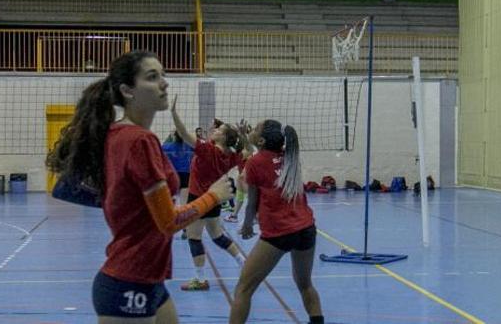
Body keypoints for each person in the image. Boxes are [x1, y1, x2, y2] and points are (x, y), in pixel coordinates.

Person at [46, 51, 233, 323]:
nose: (164, 83)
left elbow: (72, 188)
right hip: (129, 282)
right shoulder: (139, 141)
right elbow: (168, 222)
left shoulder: (117, 133)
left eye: (163, 75)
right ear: (127, 90)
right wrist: (213, 196)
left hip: (149, 280)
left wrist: (123, 204)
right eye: (152, 77)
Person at [229, 120, 324, 324]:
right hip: (306, 228)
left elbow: (252, 201)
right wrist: (247, 137)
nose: (252, 130)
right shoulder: (290, 157)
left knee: (243, 289)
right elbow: (264, 158)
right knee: (305, 284)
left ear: (262, 140)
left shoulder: (255, 162)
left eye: (255, 129)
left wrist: (246, 225)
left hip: (279, 232)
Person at [171, 101, 246, 291]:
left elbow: (184, 134)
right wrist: (243, 135)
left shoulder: (208, 150)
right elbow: (245, 151)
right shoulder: (231, 154)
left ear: (222, 137)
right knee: (217, 236)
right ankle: (244, 264)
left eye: (219, 129)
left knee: (194, 238)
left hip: (199, 199)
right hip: (215, 198)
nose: (215, 130)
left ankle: (200, 278)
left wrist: (174, 113)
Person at [162, 130, 194, 239]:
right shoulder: (189, 147)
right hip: (186, 175)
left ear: (174, 136)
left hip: (173, 176)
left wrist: (169, 136)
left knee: (170, 203)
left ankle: (167, 227)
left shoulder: (167, 146)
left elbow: (159, 152)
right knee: (185, 204)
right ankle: (186, 229)